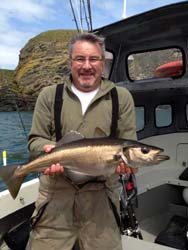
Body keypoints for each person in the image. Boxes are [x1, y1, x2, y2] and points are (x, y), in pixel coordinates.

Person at [26, 32, 137, 250]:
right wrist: (46, 148)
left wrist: (128, 166)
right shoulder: (49, 95)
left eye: (93, 59)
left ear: (102, 62)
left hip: (102, 201)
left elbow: (129, 142)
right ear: (70, 62)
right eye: (80, 59)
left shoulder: (121, 97)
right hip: (55, 199)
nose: (87, 66)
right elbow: (35, 140)